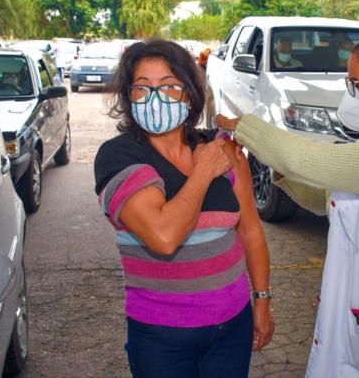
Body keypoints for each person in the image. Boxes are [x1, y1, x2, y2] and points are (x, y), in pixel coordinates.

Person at [216, 32, 359, 377]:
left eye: (357, 85)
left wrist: (244, 127)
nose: (349, 94)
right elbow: (336, 198)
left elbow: (304, 159)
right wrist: (280, 175)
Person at [93, 39, 274, 378]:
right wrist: (203, 172)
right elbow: (164, 236)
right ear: (128, 97)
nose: (155, 97)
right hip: (162, 337)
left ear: (189, 94)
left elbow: (249, 229)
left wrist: (261, 300)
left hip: (233, 326)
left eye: (169, 86)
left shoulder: (222, 150)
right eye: (141, 88)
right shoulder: (118, 157)